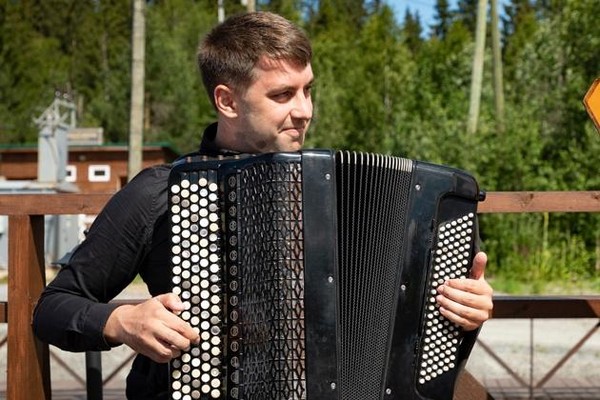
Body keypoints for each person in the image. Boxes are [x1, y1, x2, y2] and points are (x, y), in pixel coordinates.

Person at [33, 11, 493, 399]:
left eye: (307, 89)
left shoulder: (339, 190)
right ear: (227, 101)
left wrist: (463, 313)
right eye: (282, 95)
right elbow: (53, 308)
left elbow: (409, 330)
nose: (305, 109)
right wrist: (121, 320)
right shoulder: (161, 191)